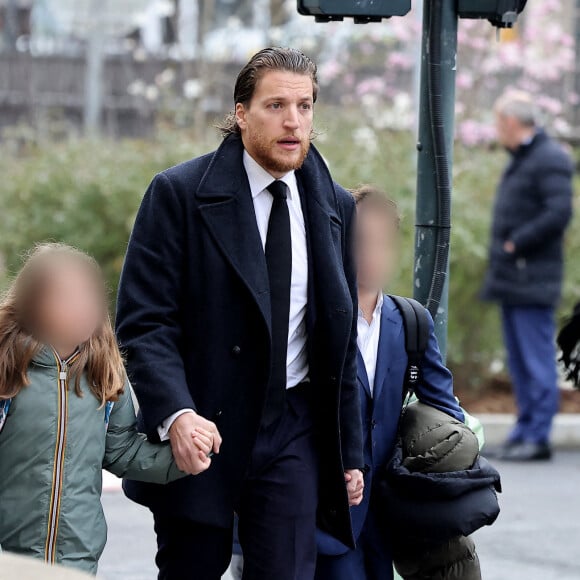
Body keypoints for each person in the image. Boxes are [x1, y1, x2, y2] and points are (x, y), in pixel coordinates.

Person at [116, 47, 365, 580]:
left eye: (305, 105)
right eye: (276, 105)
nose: (293, 120)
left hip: (293, 432)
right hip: (205, 427)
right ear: (241, 113)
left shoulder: (335, 207)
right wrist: (176, 414)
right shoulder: (178, 194)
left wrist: (350, 450)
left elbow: (337, 340)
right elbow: (144, 321)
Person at [0, 243, 204, 575]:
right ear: (33, 305)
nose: (83, 308)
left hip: (77, 559)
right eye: (66, 298)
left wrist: (181, 458)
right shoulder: (8, 369)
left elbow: (122, 450)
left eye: (89, 297)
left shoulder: (103, 374)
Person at [315, 186, 465, 580]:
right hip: (328, 512)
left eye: (382, 243)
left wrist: (453, 451)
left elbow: (446, 410)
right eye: (361, 241)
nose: (372, 255)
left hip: (388, 510)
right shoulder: (314, 316)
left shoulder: (411, 321)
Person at [482, 91, 573, 461]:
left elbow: (558, 213)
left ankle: (538, 436)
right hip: (515, 278)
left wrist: (513, 245)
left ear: (510, 123)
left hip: (531, 276)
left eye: (498, 122)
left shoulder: (548, 158)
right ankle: (524, 431)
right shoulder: (526, 158)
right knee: (519, 360)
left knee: (535, 360)